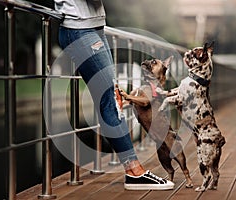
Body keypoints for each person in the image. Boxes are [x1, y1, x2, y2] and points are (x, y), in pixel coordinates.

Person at [54, 0, 174, 190]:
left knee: (112, 97)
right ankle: (134, 171)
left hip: (93, 26)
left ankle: (133, 170)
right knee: (109, 100)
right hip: (79, 28)